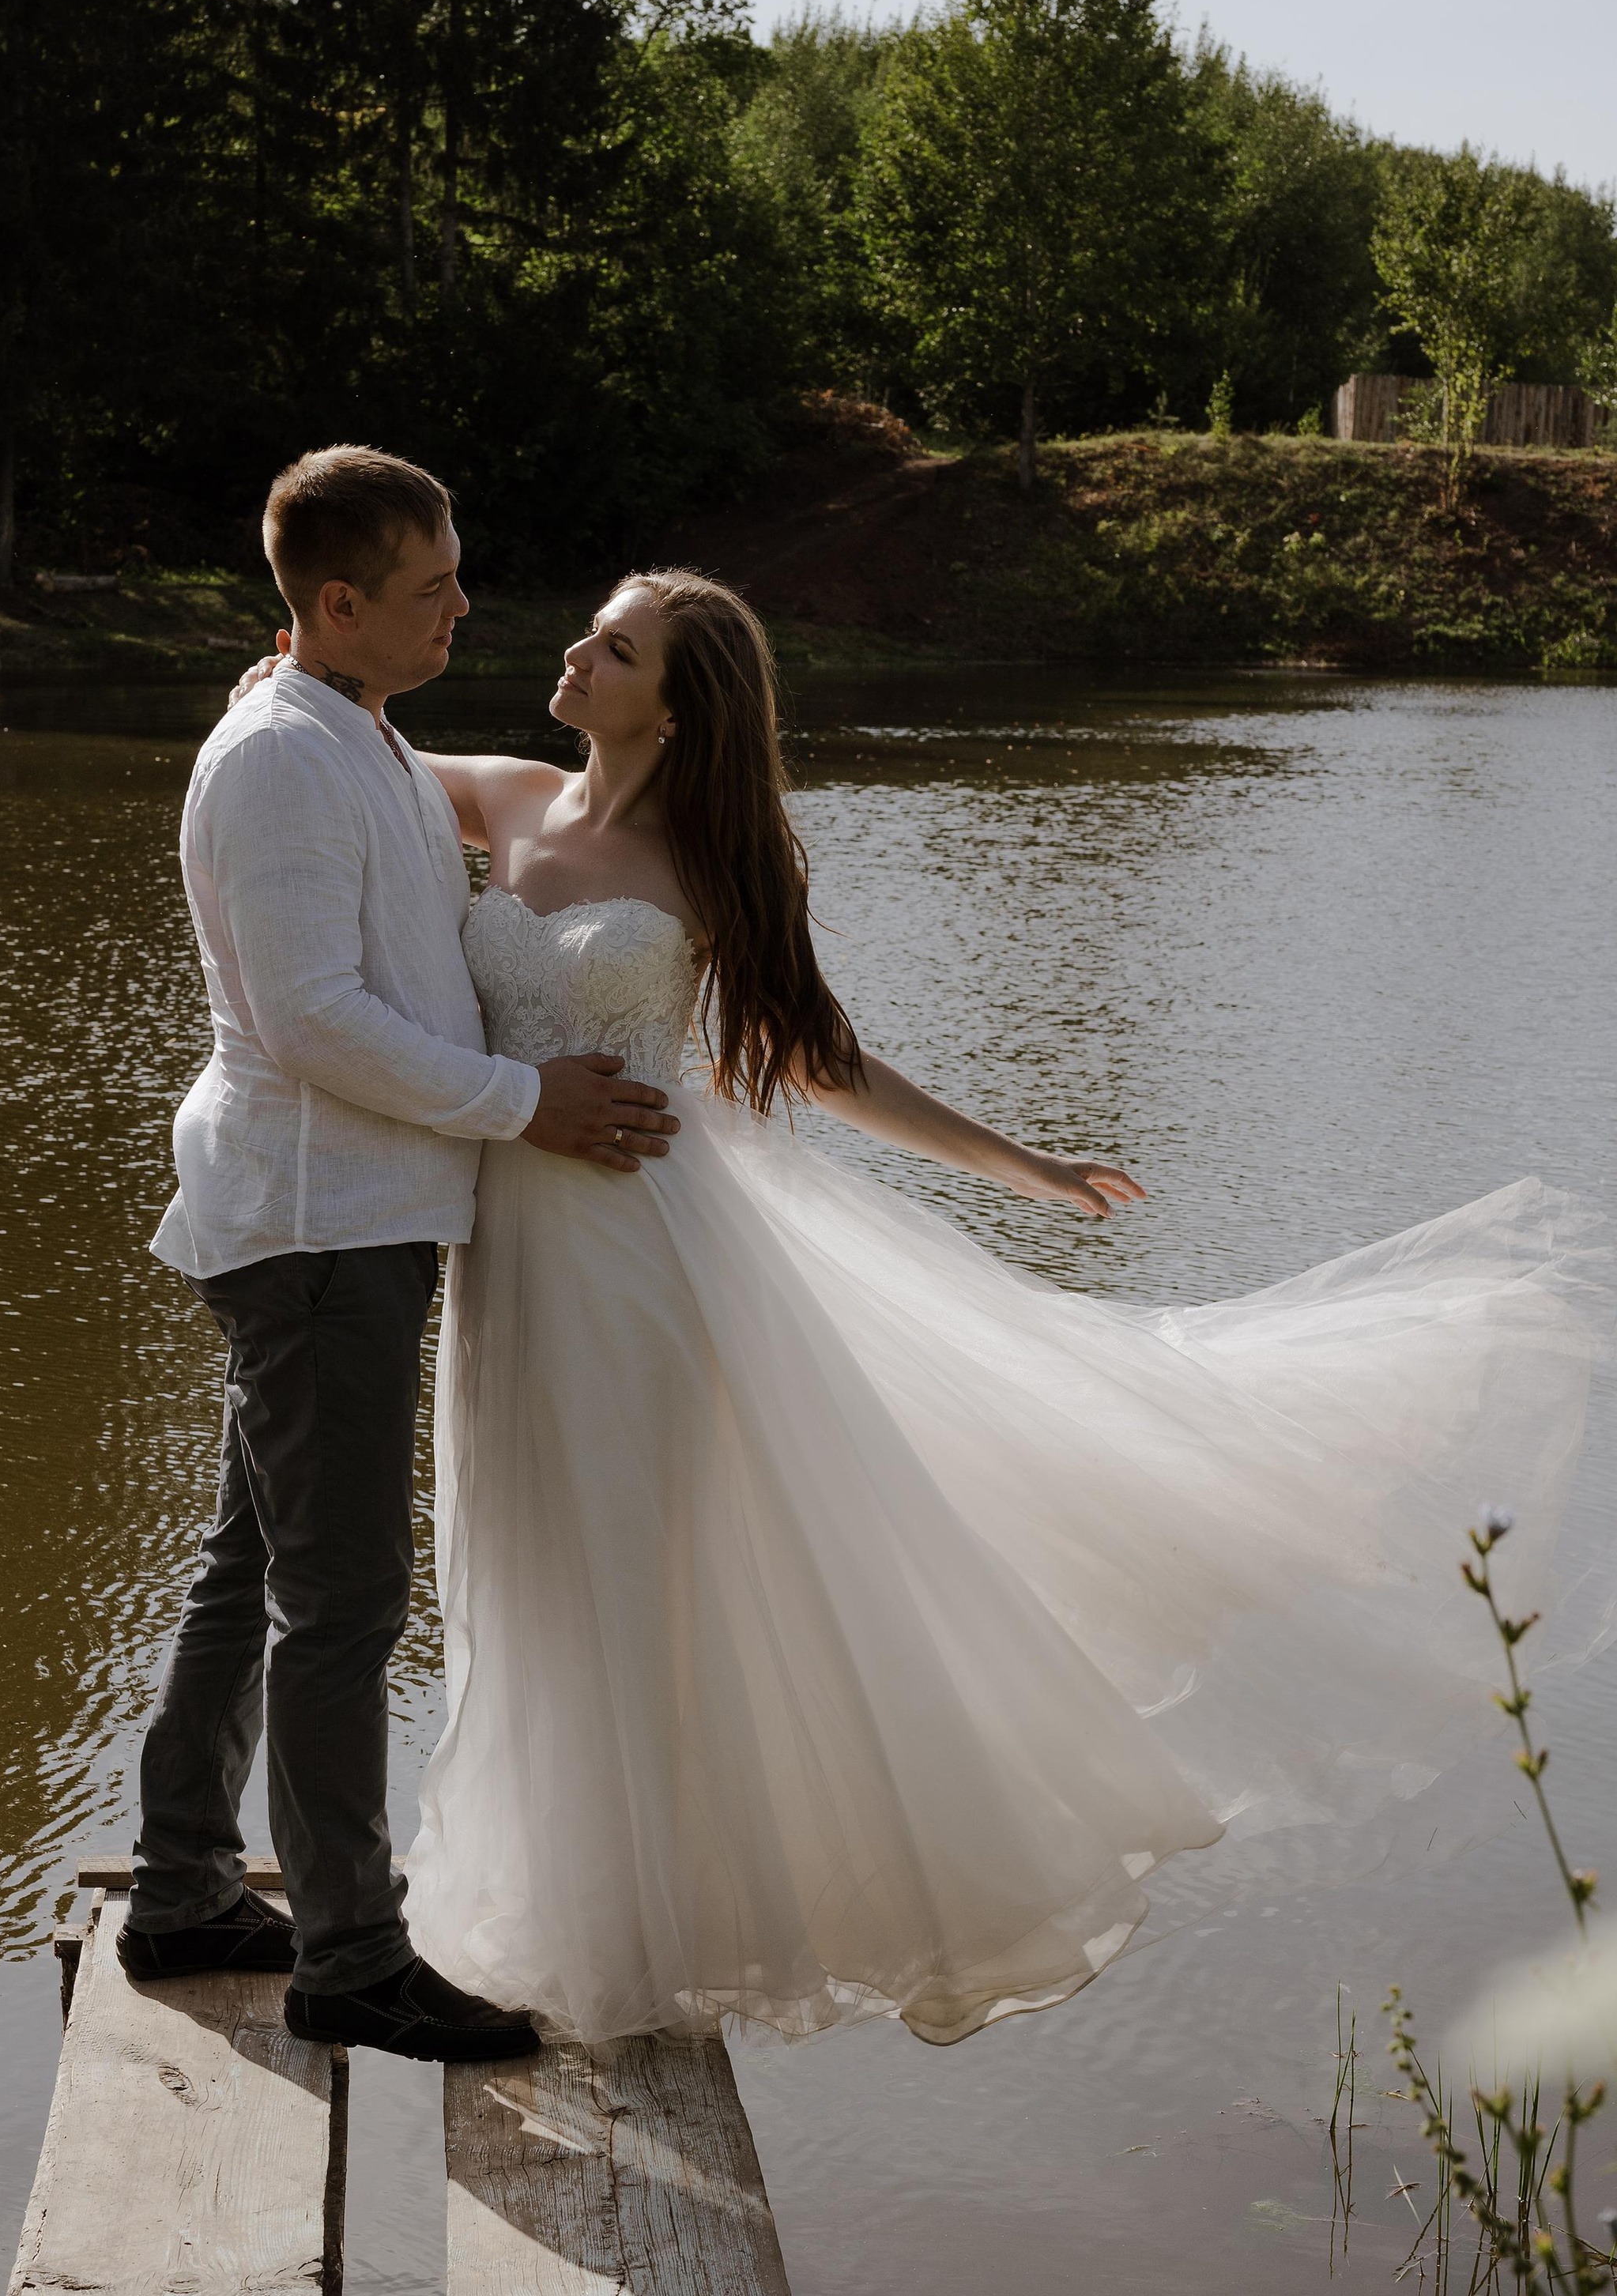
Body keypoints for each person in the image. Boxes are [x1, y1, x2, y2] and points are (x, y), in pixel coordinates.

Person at [376, 566, 1611, 2047]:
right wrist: (276, 678)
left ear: (681, 705)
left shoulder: (712, 870)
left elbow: (821, 1063)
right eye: (591, 630)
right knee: (520, 1563)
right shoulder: (501, 796)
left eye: (617, 647)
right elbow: (345, 739)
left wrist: (1018, 1165)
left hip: (643, 1262)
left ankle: (625, 1948)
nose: (577, 653)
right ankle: (558, 1903)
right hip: (511, 1254)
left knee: (627, 1582)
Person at [119, 446, 678, 2065]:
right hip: (317, 1222)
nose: (461, 605)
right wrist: (524, 1102)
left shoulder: (344, 723)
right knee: (343, 1598)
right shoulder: (287, 757)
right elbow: (310, 1020)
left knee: (256, 1565)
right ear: (342, 601)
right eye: (431, 586)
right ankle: (352, 1952)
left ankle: (178, 1888)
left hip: (342, 1212)